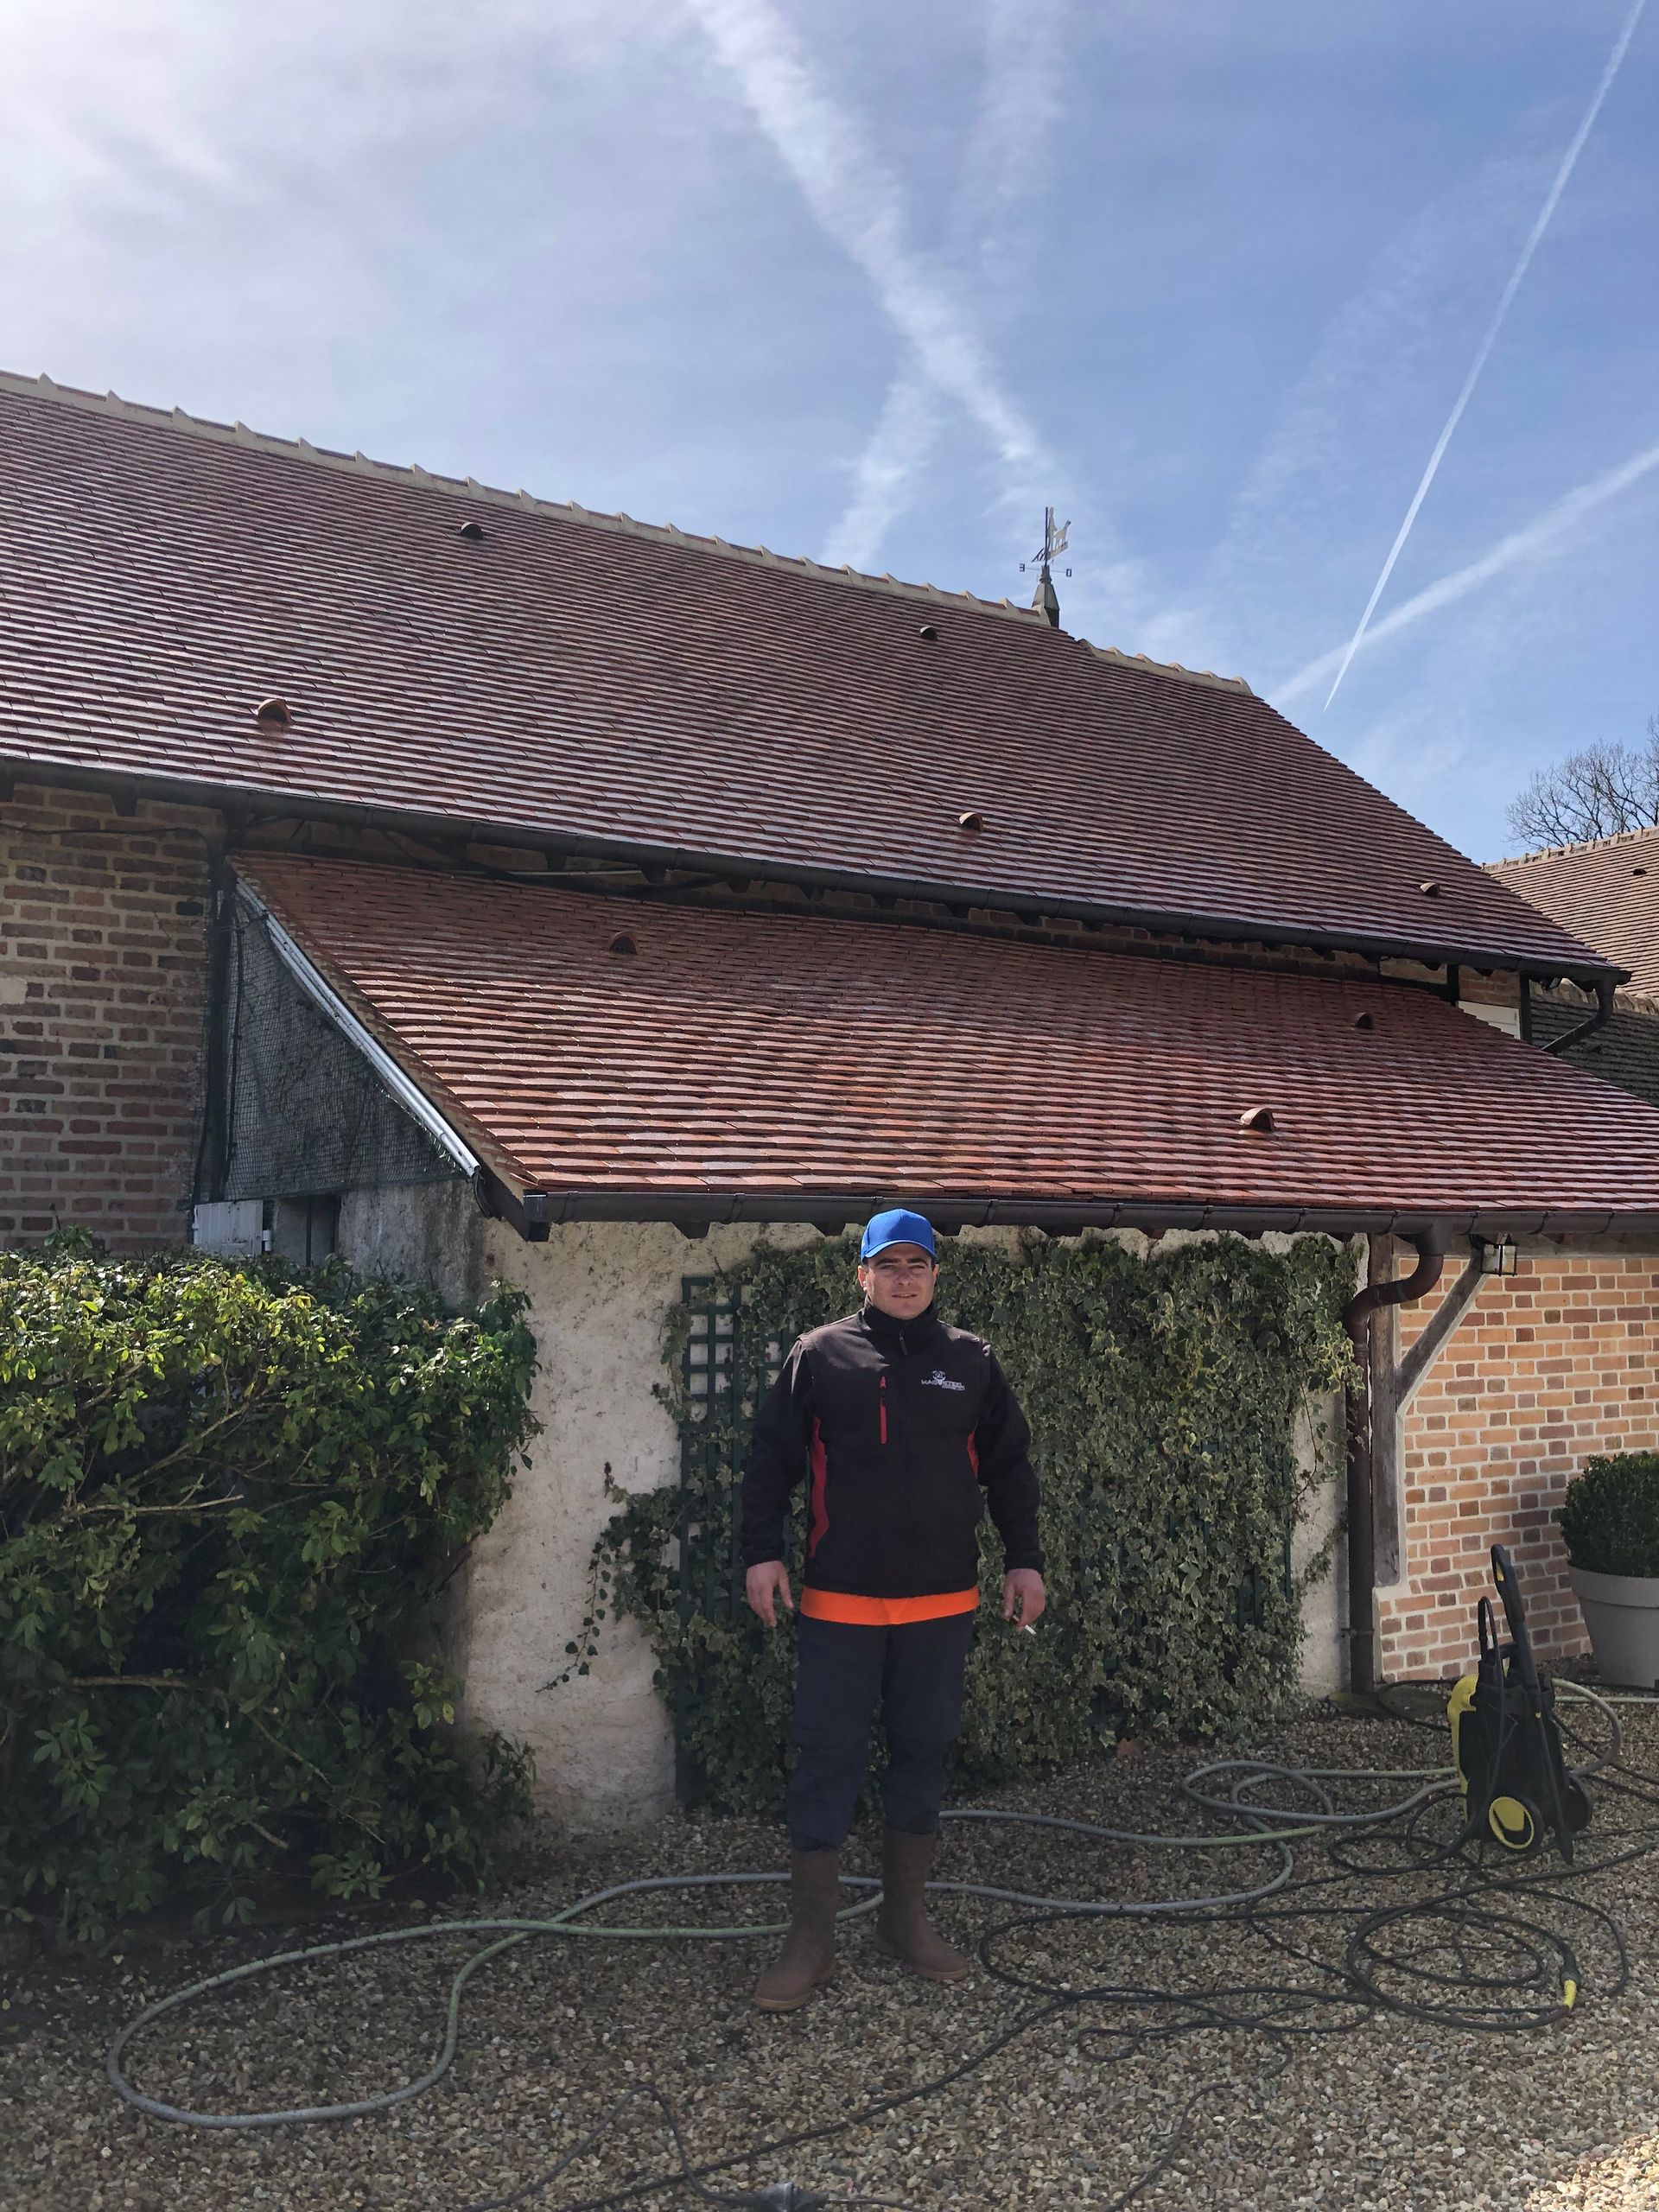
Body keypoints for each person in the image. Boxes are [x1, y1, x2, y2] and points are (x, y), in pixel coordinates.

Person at [740, 1207, 1045, 2012]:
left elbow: (1010, 1469)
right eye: (889, 1265)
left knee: (922, 1755)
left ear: (937, 1275)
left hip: (941, 1603)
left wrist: (1026, 1560)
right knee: (825, 1762)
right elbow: (769, 1462)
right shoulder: (820, 1355)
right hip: (839, 1601)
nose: (904, 1279)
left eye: (918, 1265)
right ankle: (811, 1942)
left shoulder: (971, 1362)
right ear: (862, 1275)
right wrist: (760, 1553)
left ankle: (903, 1922)